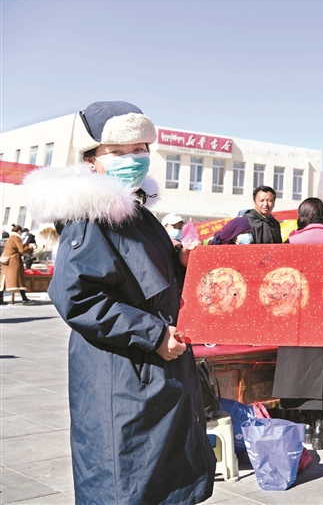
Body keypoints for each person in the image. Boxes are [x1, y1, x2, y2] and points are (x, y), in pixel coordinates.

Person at [23, 101, 215, 504]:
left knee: (163, 484)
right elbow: (78, 296)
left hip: (158, 372)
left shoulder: (138, 213)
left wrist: (179, 264)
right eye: (117, 151)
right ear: (91, 161)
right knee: (124, 484)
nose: (132, 159)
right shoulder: (90, 217)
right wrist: (153, 334)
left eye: (140, 149)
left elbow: (144, 281)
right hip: (123, 375)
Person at [271, 198, 323, 450]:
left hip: (297, 316)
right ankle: (322, 430)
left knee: (298, 368)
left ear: (302, 216)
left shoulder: (291, 242)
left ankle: (304, 428)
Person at [0, 224, 34, 304]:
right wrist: (31, 247)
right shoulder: (16, 238)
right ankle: (24, 299)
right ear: (19, 231)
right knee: (19, 280)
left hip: (6, 262)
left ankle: (0, 299)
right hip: (13, 263)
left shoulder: (10, 238)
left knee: (4, 281)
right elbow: (22, 249)